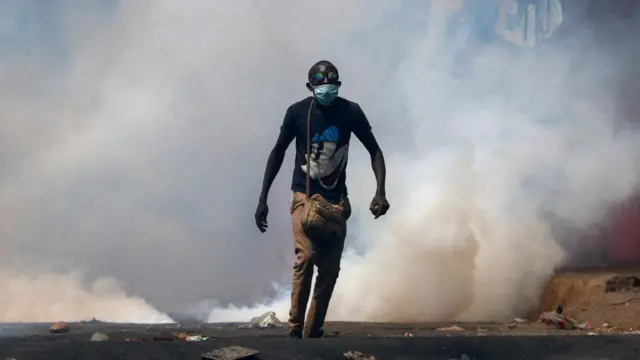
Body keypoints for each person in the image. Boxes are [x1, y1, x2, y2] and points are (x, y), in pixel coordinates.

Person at [255, 60, 390, 339]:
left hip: (337, 202)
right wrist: (263, 198)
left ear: (339, 85)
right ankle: (295, 330)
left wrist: (380, 192)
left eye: (332, 84)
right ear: (310, 87)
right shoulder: (297, 113)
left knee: (330, 270)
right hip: (303, 198)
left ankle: (312, 331)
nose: (327, 89)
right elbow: (277, 152)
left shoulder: (351, 112)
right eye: (321, 84)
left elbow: (375, 151)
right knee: (305, 259)